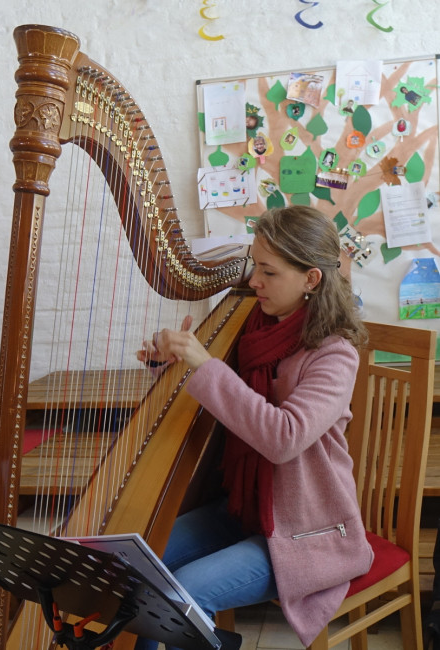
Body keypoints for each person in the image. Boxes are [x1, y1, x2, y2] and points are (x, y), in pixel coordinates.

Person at [136, 206, 374, 648]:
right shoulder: (252, 331)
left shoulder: (334, 355)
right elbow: (225, 410)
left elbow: (283, 438)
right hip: (245, 507)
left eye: (268, 271)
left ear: (311, 280)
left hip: (304, 529)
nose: (253, 282)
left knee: (180, 590)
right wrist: (170, 367)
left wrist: (203, 366)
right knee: (135, 566)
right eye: (254, 267)